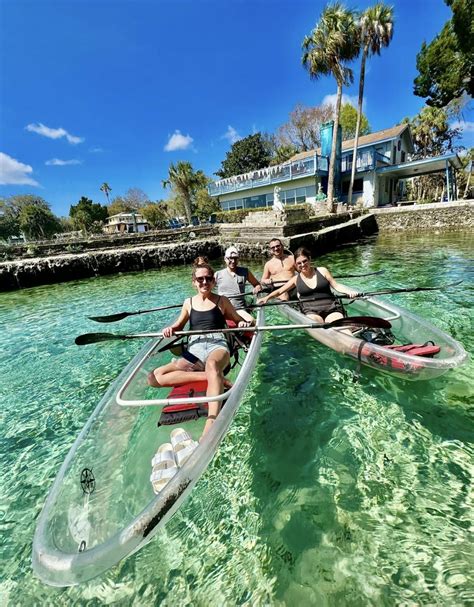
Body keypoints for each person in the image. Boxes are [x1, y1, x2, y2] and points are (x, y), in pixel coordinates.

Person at [148, 264, 254, 437]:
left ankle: (211, 420)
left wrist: (243, 323)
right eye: (200, 279)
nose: (204, 282)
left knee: (212, 364)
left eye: (208, 279)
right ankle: (215, 378)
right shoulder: (188, 303)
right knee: (154, 377)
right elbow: (179, 325)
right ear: (194, 282)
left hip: (217, 345)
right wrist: (170, 328)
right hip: (195, 349)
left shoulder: (222, 301)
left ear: (213, 281)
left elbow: (237, 319)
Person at [258, 247, 359, 324]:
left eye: (305, 261)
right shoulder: (296, 279)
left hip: (331, 308)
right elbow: (280, 291)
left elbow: (336, 286)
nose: (302, 265)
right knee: (318, 325)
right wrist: (267, 298)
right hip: (311, 312)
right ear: (296, 265)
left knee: (339, 326)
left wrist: (348, 291)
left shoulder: (322, 270)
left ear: (309, 259)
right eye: (299, 263)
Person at [215, 246, 262, 322]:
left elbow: (257, 284)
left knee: (252, 321)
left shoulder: (245, 272)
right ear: (225, 259)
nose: (233, 261)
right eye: (230, 258)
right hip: (223, 309)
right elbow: (208, 290)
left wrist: (257, 288)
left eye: (235, 258)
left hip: (239, 308)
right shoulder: (217, 274)